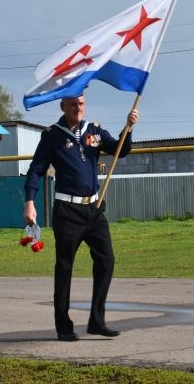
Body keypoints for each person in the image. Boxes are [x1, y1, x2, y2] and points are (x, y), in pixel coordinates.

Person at [24, 94, 137, 341]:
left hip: (94, 209)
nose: (78, 108)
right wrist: (30, 203)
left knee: (107, 260)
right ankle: (63, 326)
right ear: (62, 106)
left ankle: (97, 321)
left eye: (82, 103)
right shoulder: (53, 135)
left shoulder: (94, 131)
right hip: (67, 211)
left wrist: (128, 128)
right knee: (64, 268)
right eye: (73, 104)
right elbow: (35, 171)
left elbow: (121, 150)